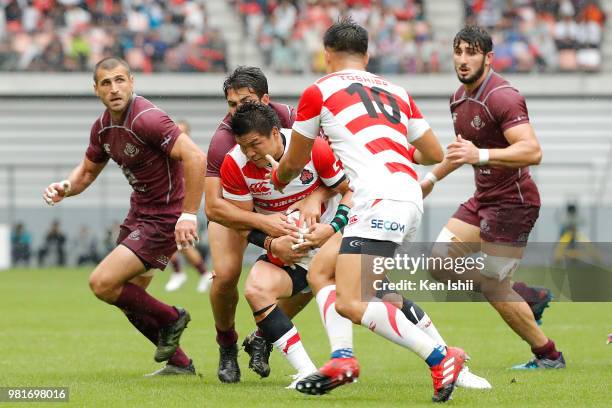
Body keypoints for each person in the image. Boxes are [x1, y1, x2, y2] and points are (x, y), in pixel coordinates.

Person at [270, 18, 472, 402]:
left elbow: (294, 164)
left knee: (352, 300)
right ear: (366, 55)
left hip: (379, 200)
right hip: (403, 194)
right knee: (321, 270)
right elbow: (432, 154)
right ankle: (342, 358)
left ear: (326, 54)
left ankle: (441, 357)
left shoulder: (318, 91)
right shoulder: (397, 90)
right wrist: (391, 150)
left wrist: (279, 177)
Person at [42, 57, 206, 376]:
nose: (114, 88)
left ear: (131, 81)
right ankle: (180, 365)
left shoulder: (148, 119)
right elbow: (87, 171)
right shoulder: (103, 127)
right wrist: (65, 186)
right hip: (139, 213)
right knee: (130, 297)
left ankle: (173, 318)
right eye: (106, 83)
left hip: (165, 216)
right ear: (96, 89)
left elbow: (196, 157)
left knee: (103, 283)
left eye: (120, 80)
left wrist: (188, 215)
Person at [419, 26, 565, 370]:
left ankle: (549, 356)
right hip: (483, 198)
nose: (463, 59)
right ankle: (529, 295)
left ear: (488, 58)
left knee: (492, 287)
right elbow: (461, 152)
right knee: (439, 263)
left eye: (471, 52)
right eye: (458, 52)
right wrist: (430, 179)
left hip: (514, 204)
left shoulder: (503, 96)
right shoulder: (458, 97)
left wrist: (480, 156)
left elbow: (533, 150)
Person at [204, 66, 329, 383]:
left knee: (314, 270)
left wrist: (315, 198)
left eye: (244, 102)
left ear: (265, 100)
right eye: (231, 105)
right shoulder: (225, 142)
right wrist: (268, 231)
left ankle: (263, 336)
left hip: (287, 202)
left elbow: (335, 168)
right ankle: (227, 345)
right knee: (226, 275)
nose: (237, 112)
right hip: (236, 208)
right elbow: (215, 207)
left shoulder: (296, 121)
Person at [221, 102, 352, 387]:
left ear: (275, 133)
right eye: (244, 147)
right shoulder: (234, 164)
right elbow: (243, 223)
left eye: (255, 144)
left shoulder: (311, 147)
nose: (250, 153)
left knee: (374, 302)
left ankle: (439, 356)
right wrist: (271, 243)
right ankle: (306, 372)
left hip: (332, 242)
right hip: (289, 251)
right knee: (256, 288)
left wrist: (317, 202)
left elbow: (349, 189)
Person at [164, 119, 214, 293]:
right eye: (177, 131)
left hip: (182, 205)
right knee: (177, 243)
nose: (180, 135)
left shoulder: (191, 157)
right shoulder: (169, 154)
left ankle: (183, 273)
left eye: (183, 132)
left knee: (177, 241)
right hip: (168, 203)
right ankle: (200, 273)